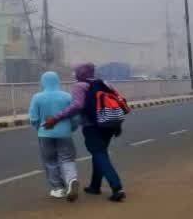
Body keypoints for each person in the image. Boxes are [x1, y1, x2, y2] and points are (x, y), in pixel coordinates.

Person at [46, 62, 126, 202]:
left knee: (99, 154)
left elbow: (78, 105)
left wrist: (56, 117)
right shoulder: (103, 83)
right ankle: (95, 186)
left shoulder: (79, 86)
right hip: (109, 123)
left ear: (79, 73)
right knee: (100, 153)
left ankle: (116, 187)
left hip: (92, 125)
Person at [28, 71, 81, 201]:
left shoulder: (37, 97)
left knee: (50, 161)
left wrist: (40, 129)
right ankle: (71, 179)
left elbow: (33, 118)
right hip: (64, 133)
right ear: (57, 81)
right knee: (67, 158)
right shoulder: (67, 96)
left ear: (43, 82)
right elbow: (75, 116)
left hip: (45, 134)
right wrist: (71, 128)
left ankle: (58, 189)